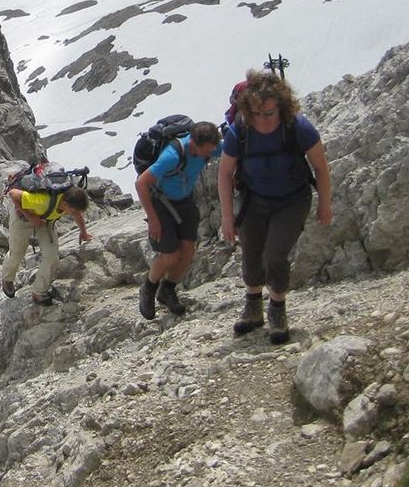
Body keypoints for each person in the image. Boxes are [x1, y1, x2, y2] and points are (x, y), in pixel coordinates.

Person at [217, 69, 333, 344]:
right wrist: (227, 217)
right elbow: (224, 173)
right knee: (252, 254)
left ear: (281, 107)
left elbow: (320, 167)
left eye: (270, 114)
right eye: (257, 114)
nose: (264, 121)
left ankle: (277, 310)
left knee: (275, 256)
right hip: (255, 200)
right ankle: (253, 308)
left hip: (293, 200)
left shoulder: (298, 127)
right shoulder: (240, 132)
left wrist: (325, 204)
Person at [135, 121, 222, 320]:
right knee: (170, 255)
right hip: (161, 202)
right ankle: (148, 288)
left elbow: (230, 150)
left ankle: (168, 290)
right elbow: (141, 183)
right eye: (207, 151)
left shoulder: (207, 147)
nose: (210, 154)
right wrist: (153, 219)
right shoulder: (172, 156)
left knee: (188, 250)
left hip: (185, 201)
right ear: (195, 144)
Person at [1, 184, 91, 306]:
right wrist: (31, 216)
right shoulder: (43, 200)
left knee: (52, 258)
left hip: (46, 221)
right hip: (22, 219)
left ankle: (39, 291)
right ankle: (7, 278)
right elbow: (13, 194)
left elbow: (77, 214)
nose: (74, 214)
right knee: (17, 253)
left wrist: (83, 232)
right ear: (64, 204)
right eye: (73, 211)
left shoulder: (68, 201)